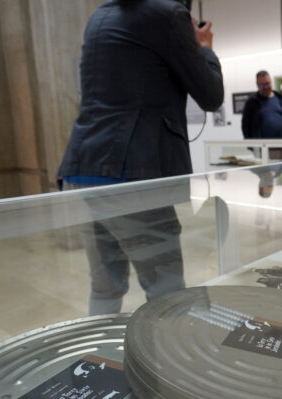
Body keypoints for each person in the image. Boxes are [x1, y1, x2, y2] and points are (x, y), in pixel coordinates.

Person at [56, 0, 224, 315]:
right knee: (167, 295)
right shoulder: (168, 15)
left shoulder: (99, 16)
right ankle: (165, 363)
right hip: (133, 176)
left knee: (104, 289)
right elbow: (212, 95)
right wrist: (203, 47)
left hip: (84, 168)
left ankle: (98, 360)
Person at [241, 70, 282, 159]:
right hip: (263, 150)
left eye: (267, 83)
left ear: (271, 82)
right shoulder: (252, 102)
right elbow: (245, 126)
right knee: (265, 173)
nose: (265, 87)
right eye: (262, 85)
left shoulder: (281, 99)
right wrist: (251, 146)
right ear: (257, 85)